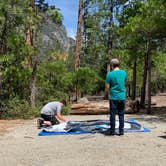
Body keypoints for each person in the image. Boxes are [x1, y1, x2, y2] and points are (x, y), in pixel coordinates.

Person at [105, 58, 127, 136]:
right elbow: (124, 82)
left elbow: (107, 87)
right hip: (122, 97)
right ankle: (121, 131)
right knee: (121, 114)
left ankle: (112, 131)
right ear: (118, 64)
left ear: (112, 65)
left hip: (113, 97)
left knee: (113, 114)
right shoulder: (124, 72)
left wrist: (108, 94)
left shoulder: (109, 74)